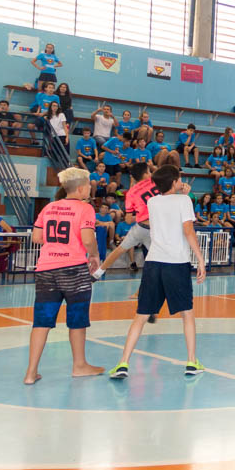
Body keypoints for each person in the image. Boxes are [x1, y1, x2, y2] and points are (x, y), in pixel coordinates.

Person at [109, 165, 206, 379]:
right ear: (174, 182)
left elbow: (167, 209)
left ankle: (123, 363)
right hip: (176, 263)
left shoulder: (152, 202)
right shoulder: (184, 201)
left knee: (141, 316)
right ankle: (192, 361)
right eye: (179, 179)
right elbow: (188, 230)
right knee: (187, 314)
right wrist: (200, 259)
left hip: (153, 263)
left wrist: (182, 195)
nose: (181, 182)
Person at [23, 167, 105, 385]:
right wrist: (94, 255)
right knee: (77, 319)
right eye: (88, 185)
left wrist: (57, 242)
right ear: (81, 189)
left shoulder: (49, 207)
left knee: (41, 321)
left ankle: (31, 372)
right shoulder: (85, 208)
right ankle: (79, 365)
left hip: (46, 269)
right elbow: (87, 239)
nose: (90, 188)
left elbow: (37, 237)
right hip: (73, 269)